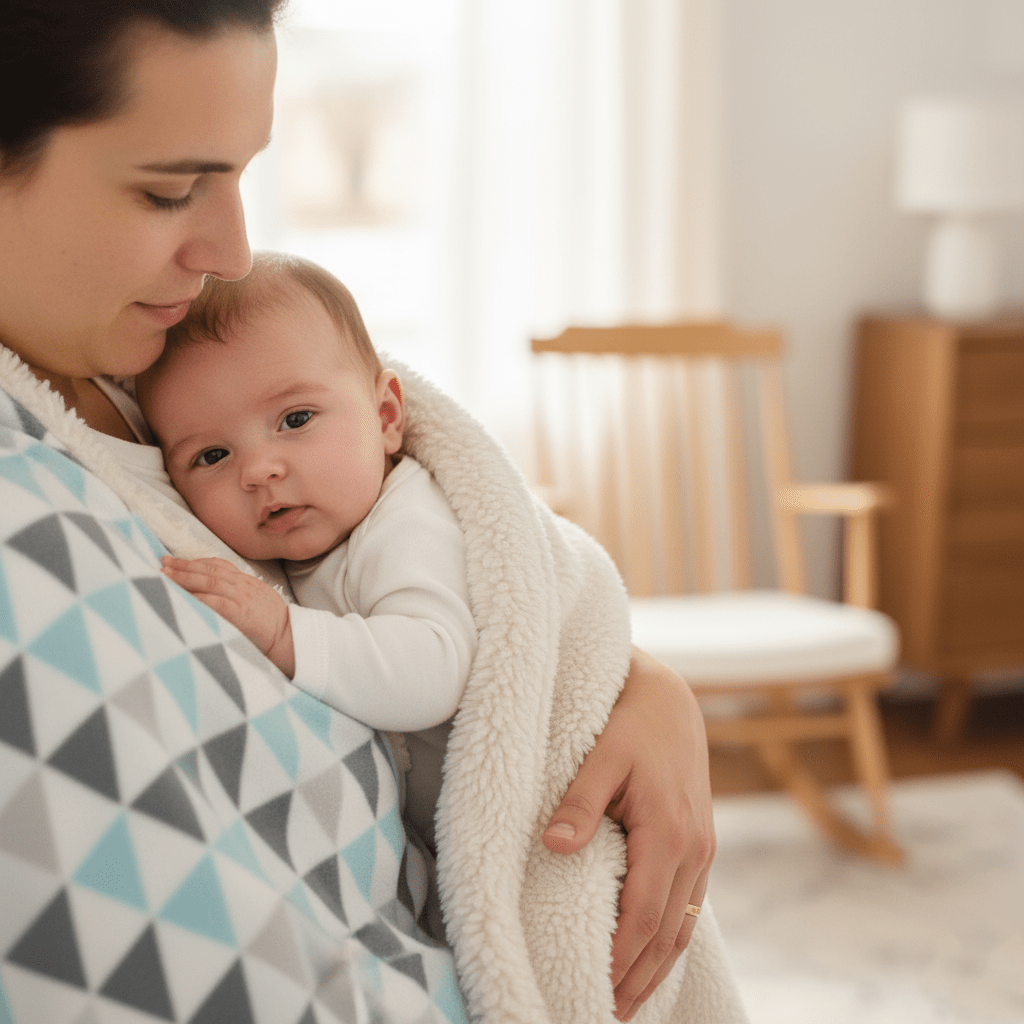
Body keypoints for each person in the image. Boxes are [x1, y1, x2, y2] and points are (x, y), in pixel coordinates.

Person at [0, 3, 734, 1022]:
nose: (231, 250)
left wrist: (627, 680)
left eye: (240, 175)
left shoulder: (138, 359)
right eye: (169, 190)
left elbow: (491, 564)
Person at [137, 252, 477, 848]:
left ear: (386, 417)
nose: (258, 471)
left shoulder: (407, 521)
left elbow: (435, 668)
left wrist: (284, 633)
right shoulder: (296, 545)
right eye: (212, 456)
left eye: (295, 419)